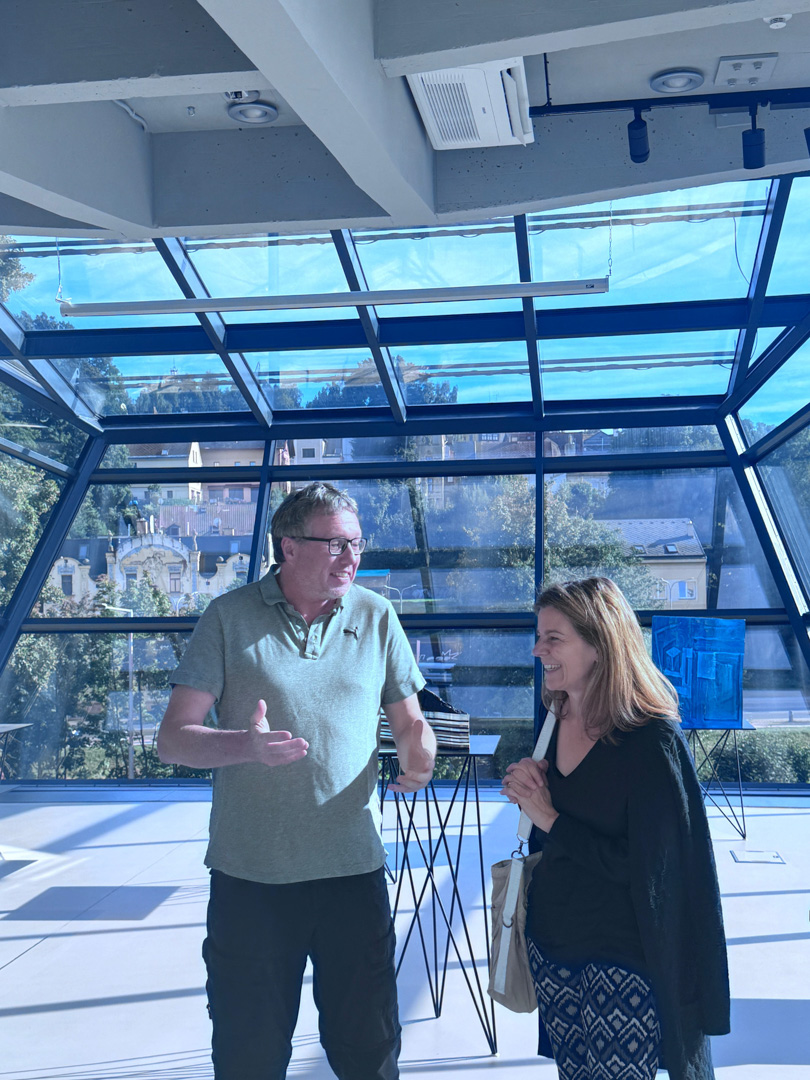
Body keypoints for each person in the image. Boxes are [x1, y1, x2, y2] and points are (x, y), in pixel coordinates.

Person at [157, 481, 436, 1080]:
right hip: (252, 879)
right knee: (248, 1056)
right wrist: (245, 746)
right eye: (335, 544)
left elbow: (410, 720)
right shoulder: (228, 617)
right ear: (288, 546)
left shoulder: (376, 614)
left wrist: (420, 754)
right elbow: (172, 738)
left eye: (356, 544)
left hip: (353, 873)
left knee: (370, 1054)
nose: (352, 558)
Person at [501, 577, 729, 1080]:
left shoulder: (652, 741)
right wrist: (530, 785)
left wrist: (550, 818)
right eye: (540, 636)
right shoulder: (554, 715)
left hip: (624, 957)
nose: (538, 649)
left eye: (553, 638)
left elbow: (653, 873)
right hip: (553, 944)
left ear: (600, 644)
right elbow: (553, 828)